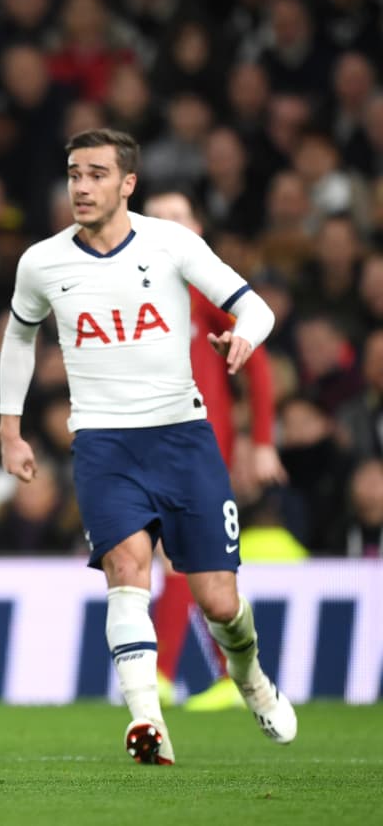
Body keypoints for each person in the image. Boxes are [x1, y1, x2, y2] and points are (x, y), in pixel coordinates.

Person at [0, 128, 296, 765]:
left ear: (128, 183)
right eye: (75, 174)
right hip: (103, 444)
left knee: (219, 601)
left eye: (97, 174)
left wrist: (245, 337)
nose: (82, 187)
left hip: (183, 439)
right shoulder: (42, 262)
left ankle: (251, 679)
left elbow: (258, 309)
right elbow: (19, 337)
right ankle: (147, 721)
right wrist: (9, 427)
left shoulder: (171, 244)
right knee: (126, 570)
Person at [142, 190, 286, 712]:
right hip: (146, 440)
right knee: (185, 558)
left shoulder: (205, 287)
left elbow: (257, 362)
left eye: (178, 216)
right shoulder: (132, 289)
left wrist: (262, 441)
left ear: (197, 226)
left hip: (199, 441)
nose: (168, 226)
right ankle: (230, 675)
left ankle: (167, 674)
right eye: (157, 218)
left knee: (184, 555)